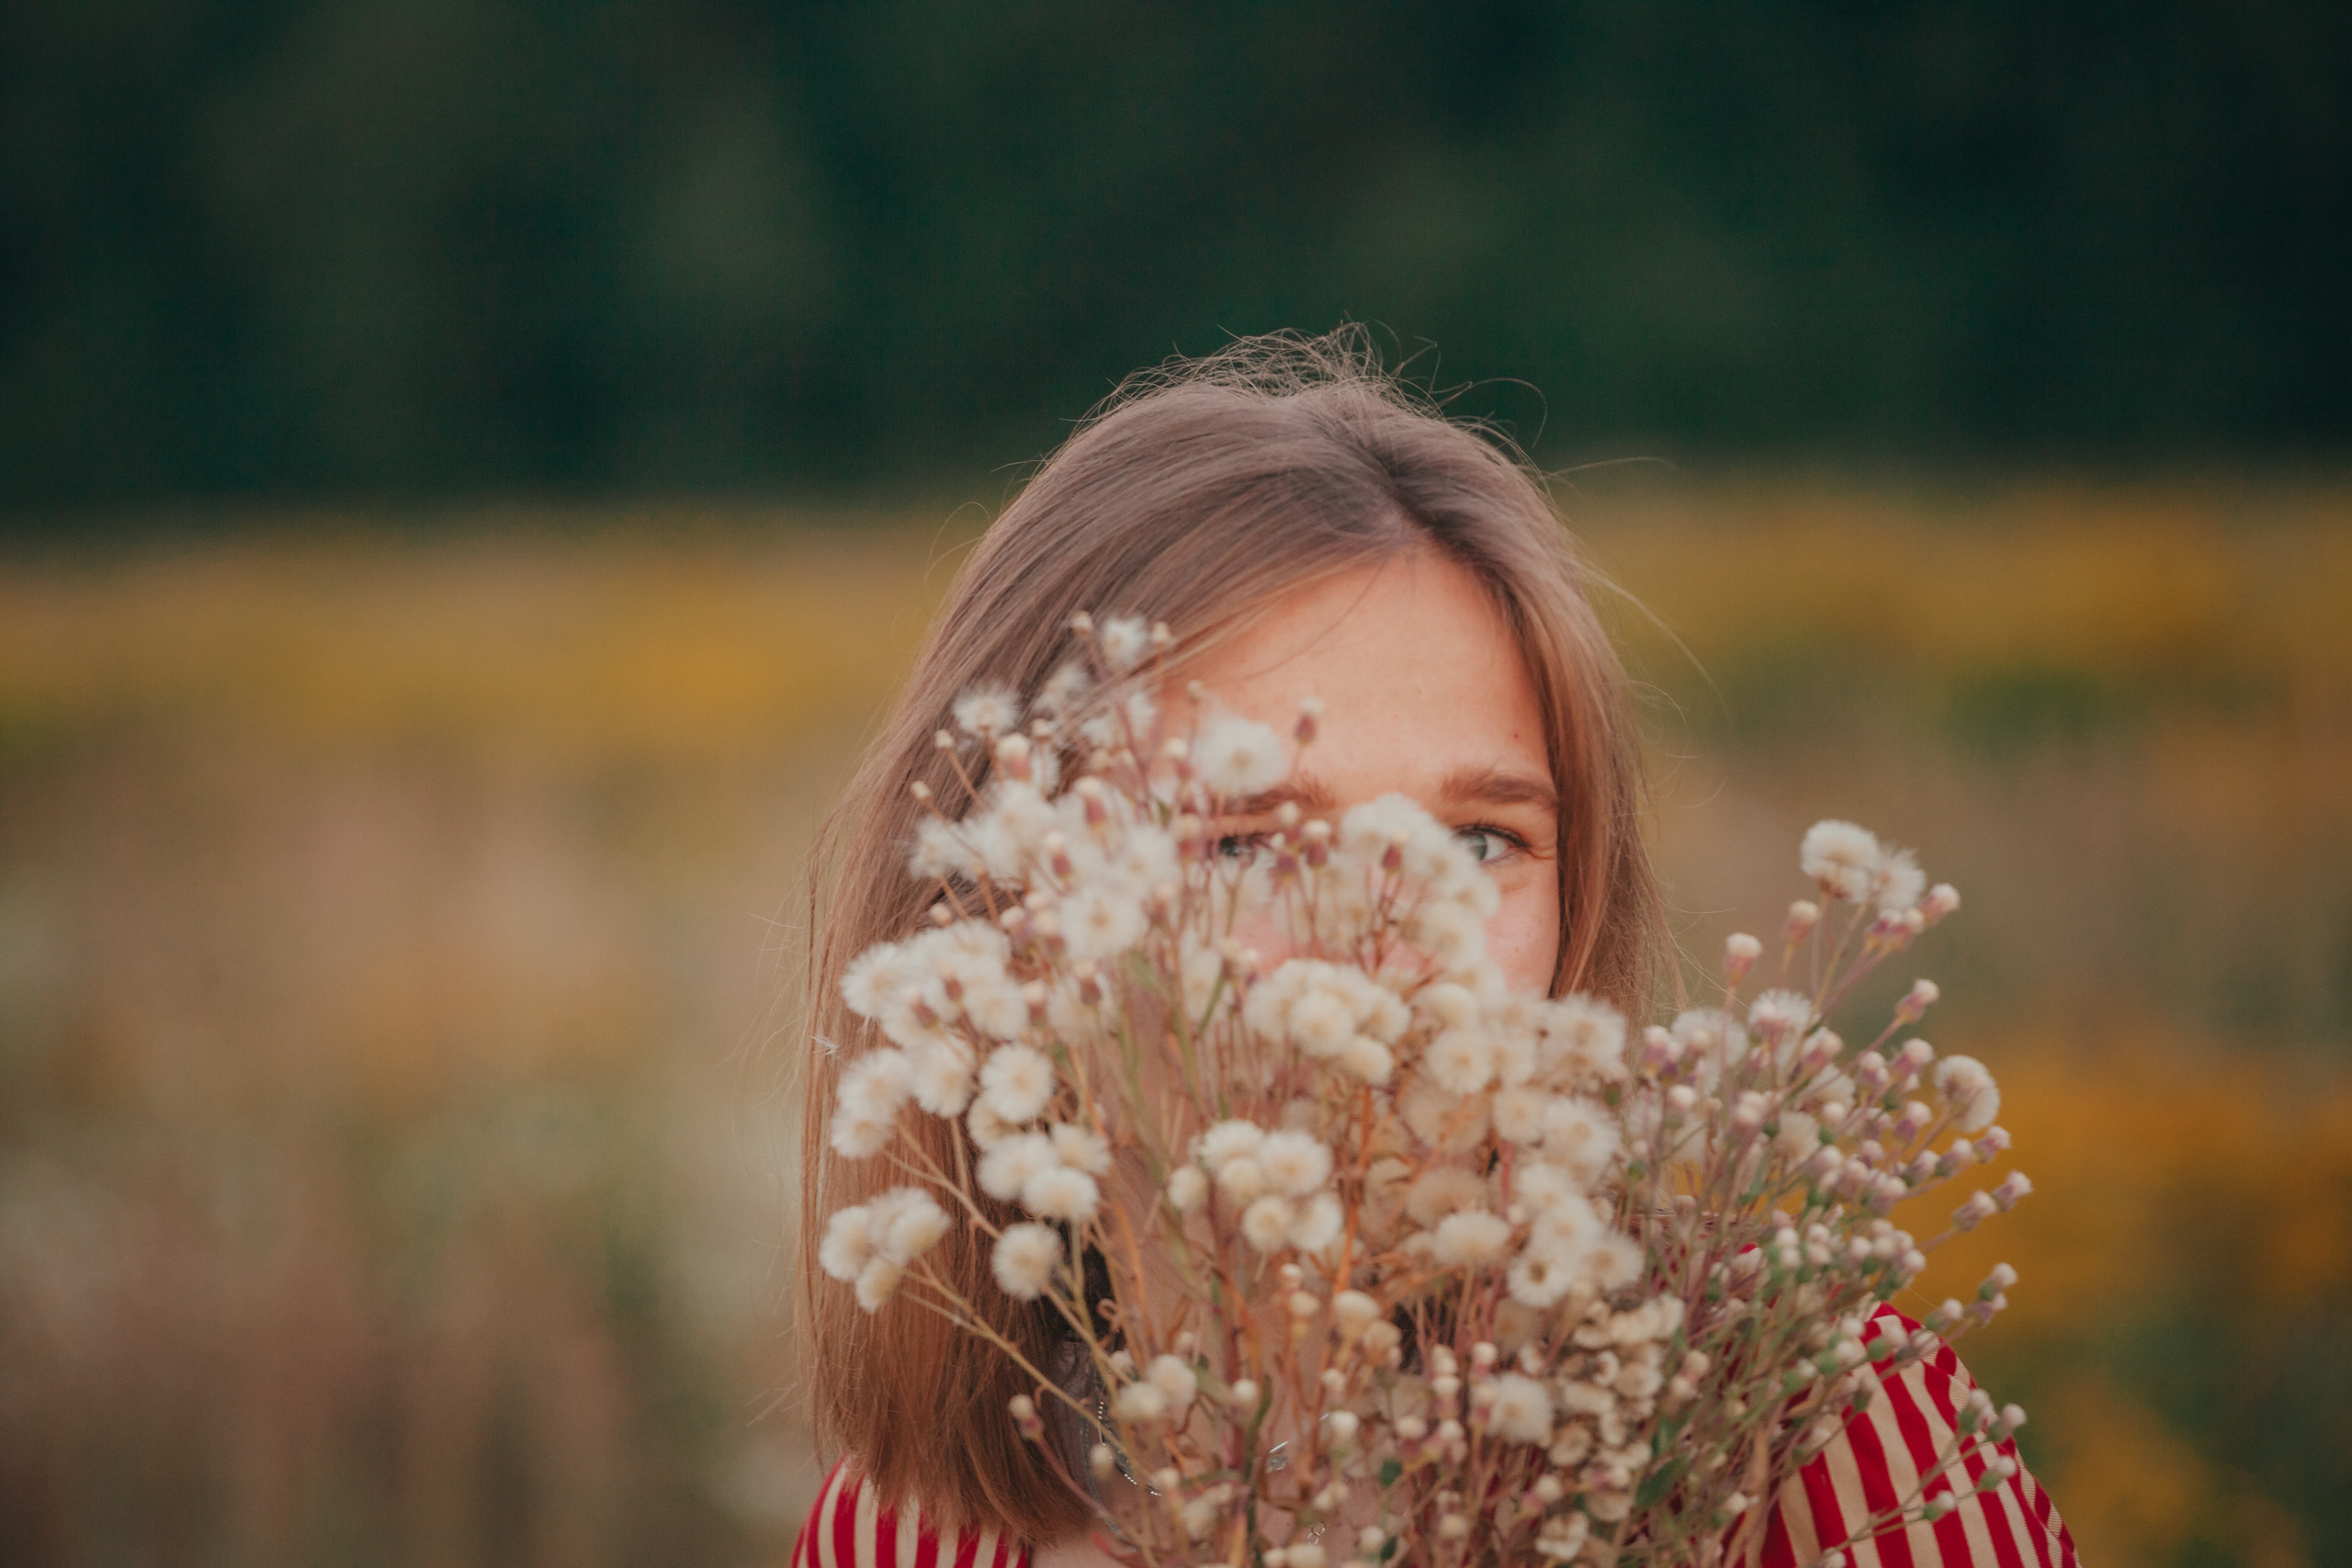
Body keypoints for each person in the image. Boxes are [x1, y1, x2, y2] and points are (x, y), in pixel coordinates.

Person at [792, 331, 2076, 1568]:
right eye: (1245, 845)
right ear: (1009, 922)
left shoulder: (1803, 1441)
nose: (1392, 954)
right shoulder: (903, 1536)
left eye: (1480, 842)